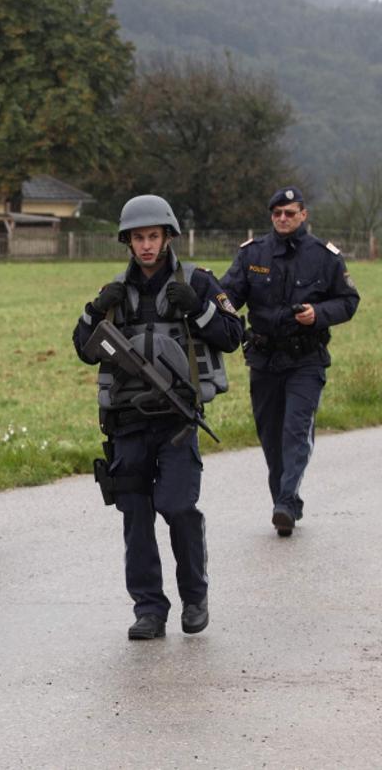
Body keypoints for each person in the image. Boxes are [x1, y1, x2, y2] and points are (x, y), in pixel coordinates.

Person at [73, 195, 243, 640]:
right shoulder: (115, 291)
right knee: (135, 513)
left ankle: (194, 596)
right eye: (138, 238)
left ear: (167, 237)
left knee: (178, 507)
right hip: (127, 422)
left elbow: (232, 336)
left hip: (176, 421)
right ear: (127, 242)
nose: (146, 246)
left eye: (153, 236)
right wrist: (95, 310)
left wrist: (198, 308)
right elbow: (83, 349)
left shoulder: (198, 282)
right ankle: (149, 608)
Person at [219, 186, 360, 537]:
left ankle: (284, 501)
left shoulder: (324, 256)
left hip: (305, 360)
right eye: (277, 213)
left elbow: (349, 300)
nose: (283, 218)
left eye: (290, 213)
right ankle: (285, 502)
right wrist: (206, 305)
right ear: (272, 216)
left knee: (295, 432)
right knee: (270, 436)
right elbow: (228, 297)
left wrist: (319, 313)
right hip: (264, 359)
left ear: (303, 215)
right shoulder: (253, 254)